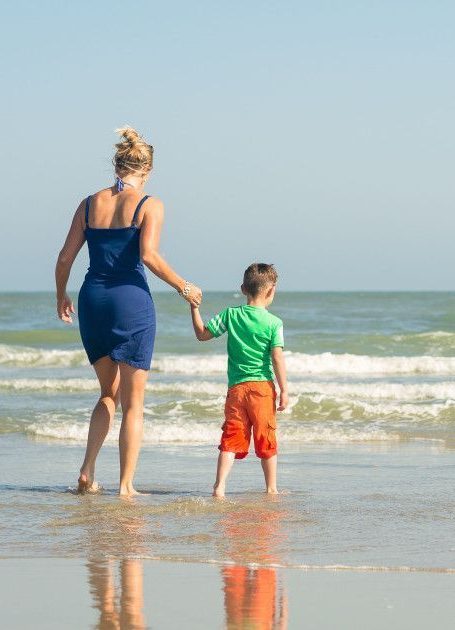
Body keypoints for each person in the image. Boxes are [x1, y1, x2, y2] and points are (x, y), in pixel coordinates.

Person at [55, 126, 203, 497]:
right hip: (130, 301)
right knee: (134, 403)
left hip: (93, 300)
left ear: (116, 165)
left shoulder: (89, 203)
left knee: (108, 393)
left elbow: (64, 257)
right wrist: (184, 287)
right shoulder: (150, 204)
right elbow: (149, 256)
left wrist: (61, 295)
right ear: (147, 170)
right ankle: (126, 486)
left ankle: (87, 469)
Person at [190, 263, 288, 498]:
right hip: (262, 388)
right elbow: (276, 357)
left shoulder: (231, 315)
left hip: (236, 389)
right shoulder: (274, 323)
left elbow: (202, 334)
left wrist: (194, 308)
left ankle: (219, 487)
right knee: (266, 437)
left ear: (243, 288)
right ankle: (271, 488)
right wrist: (284, 390)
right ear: (271, 291)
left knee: (231, 436)